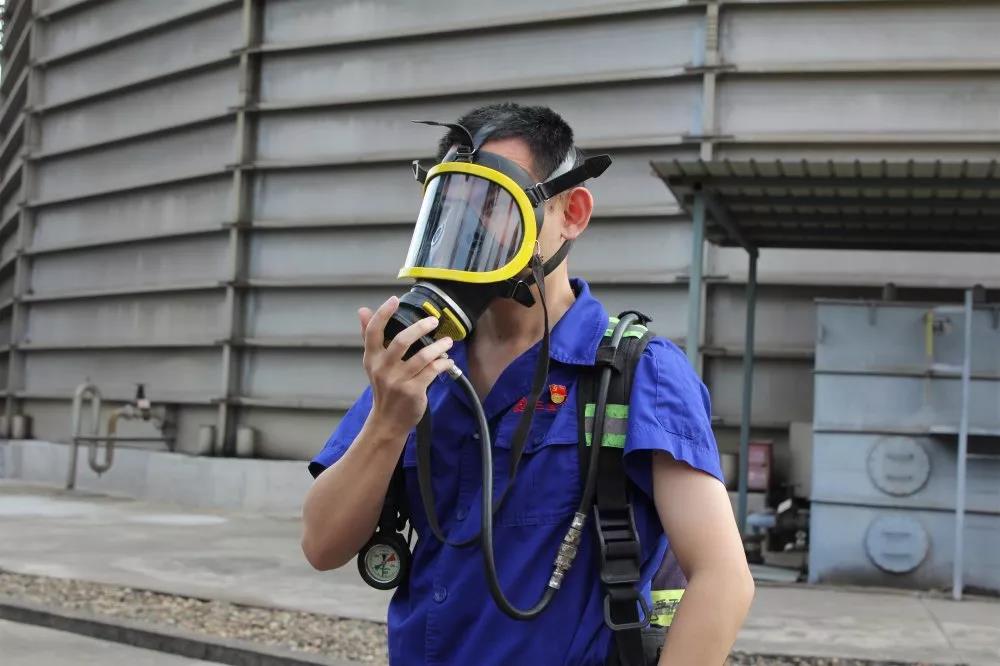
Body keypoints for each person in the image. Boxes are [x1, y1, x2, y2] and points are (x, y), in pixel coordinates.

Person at [302, 103, 754, 665]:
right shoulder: (419, 366)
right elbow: (322, 545)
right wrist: (388, 422)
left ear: (573, 213)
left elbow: (723, 578)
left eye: (493, 204)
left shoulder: (639, 373)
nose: (469, 231)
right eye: (452, 208)